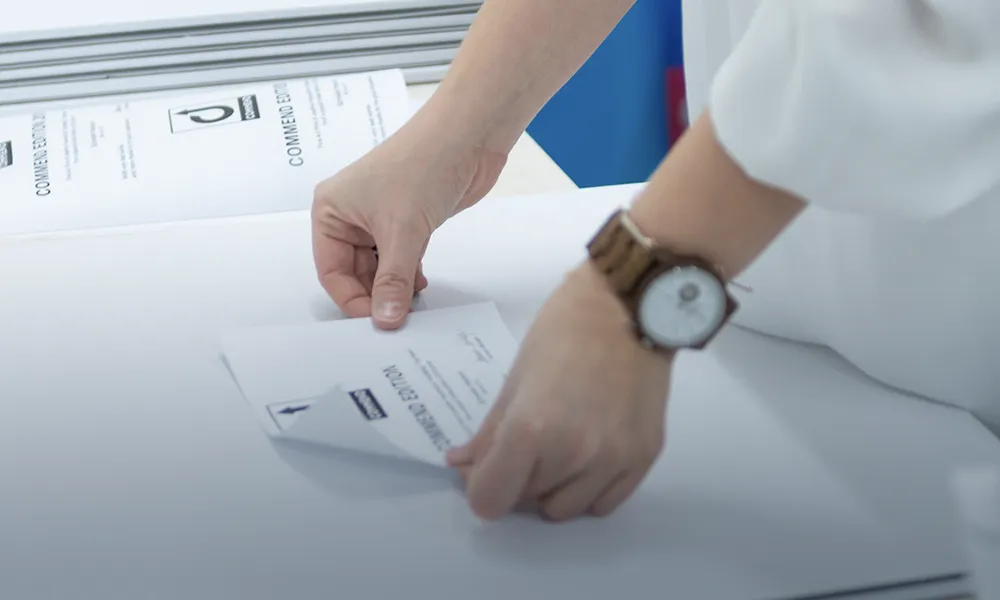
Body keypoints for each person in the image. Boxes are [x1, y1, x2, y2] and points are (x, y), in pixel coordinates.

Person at [310, 0, 1000, 522]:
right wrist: (459, 130)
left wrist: (632, 289)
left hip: (963, 377)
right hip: (769, 342)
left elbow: (924, 23)